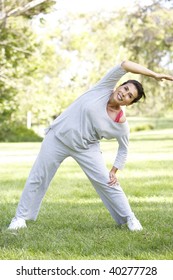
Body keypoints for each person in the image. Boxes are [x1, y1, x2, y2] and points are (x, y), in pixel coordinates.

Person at [8, 60, 173, 231]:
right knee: (38, 176)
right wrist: (154, 75)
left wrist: (114, 170)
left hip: (86, 147)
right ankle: (19, 218)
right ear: (119, 86)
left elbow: (124, 148)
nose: (125, 94)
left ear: (129, 104)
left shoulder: (120, 123)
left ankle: (130, 218)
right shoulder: (103, 88)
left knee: (108, 182)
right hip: (57, 137)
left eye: (130, 96)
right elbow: (125, 64)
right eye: (125, 89)